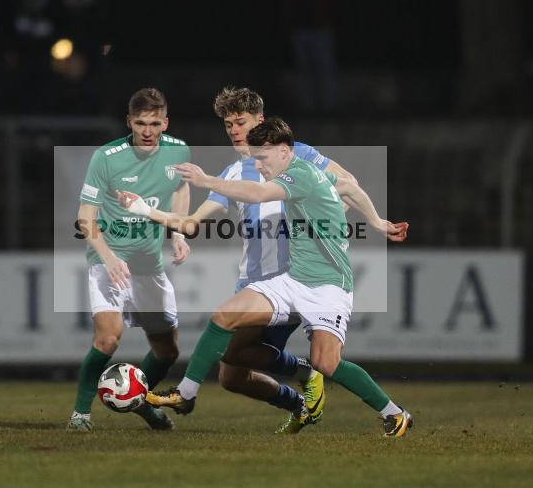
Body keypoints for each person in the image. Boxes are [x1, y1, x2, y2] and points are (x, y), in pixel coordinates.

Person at [133, 118, 413, 437]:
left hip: (328, 287)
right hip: (293, 279)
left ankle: (394, 413)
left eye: (262, 158)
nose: (258, 165)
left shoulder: (300, 174)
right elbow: (349, 187)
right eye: (254, 158)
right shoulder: (310, 173)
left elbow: (257, 194)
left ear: (283, 152)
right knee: (224, 316)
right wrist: (376, 221)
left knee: (326, 363)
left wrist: (206, 180)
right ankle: (186, 393)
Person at [119, 86, 357, 433]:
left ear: (260, 120)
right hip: (252, 282)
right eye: (228, 124)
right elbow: (191, 223)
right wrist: (144, 209)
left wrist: (325, 224)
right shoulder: (232, 173)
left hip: (292, 280)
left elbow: (348, 183)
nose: (233, 130)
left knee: (230, 343)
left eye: (240, 122)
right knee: (231, 376)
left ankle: (190, 393)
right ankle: (301, 398)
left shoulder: (297, 155)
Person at [68, 88, 191, 432]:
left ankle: (142, 403)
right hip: (109, 257)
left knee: (167, 352)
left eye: (154, 123)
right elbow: (85, 217)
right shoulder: (106, 157)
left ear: (165, 123)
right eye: (140, 123)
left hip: (148, 263)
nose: (147, 131)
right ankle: (80, 415)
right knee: (108, 339)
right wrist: (108, 258)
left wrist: (178, 235)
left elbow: (181, 189)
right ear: (129, 122)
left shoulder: (179, 151)